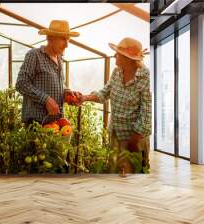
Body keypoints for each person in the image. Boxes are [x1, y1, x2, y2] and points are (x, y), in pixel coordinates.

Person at [78, 37, 151, 174]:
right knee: (114, 170)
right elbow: (105, 92)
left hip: (134, 138)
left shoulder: (145, 76)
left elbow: (147, 112)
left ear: (127, 58)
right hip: (116, 133)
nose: (114, 55)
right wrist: (85, 98)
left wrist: (134, 140)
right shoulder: (117, 72)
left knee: (132, 175)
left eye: (117, 53)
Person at [16, 20, 82, 126]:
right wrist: (45, 100)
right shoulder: (34, 55)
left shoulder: (60, 59)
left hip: (57, 123)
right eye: (63, 39)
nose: (67, 45)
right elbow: (21, 84)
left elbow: (57, 84)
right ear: (50, 38)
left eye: (68, 40)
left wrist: (66, 91)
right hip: (37, 124)